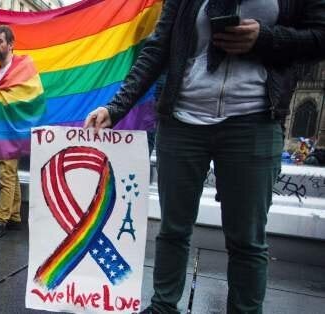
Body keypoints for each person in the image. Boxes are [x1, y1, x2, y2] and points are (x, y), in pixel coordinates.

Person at [84, 1, 325, 313]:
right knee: (172, 229)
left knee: (247, 241)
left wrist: (267, 38)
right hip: (181, 119)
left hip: (254, 121)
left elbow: (319, 37)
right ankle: (163, 306)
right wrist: (115, 107)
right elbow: (158, 47)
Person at [0, 25, 45, 240]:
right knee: (11, 173)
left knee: (6, 174)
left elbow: (35, 96)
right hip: (2, 128)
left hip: (14, 129)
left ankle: (0, 220)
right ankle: (15, 217)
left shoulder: (23, 66)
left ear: (11, 44)